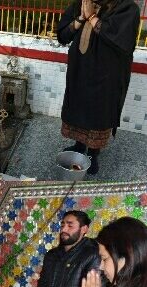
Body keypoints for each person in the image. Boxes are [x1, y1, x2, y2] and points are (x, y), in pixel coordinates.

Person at [56, 0, 140, 175]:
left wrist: (92, 17)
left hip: (106, 77)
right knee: (79, 109)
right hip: (80, 71)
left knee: (98, 114)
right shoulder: (81, 3)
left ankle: (93, 154)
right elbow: (63, 36)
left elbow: (121, 42)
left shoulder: (126, 8)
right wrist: (81, 17)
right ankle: (79, 146)